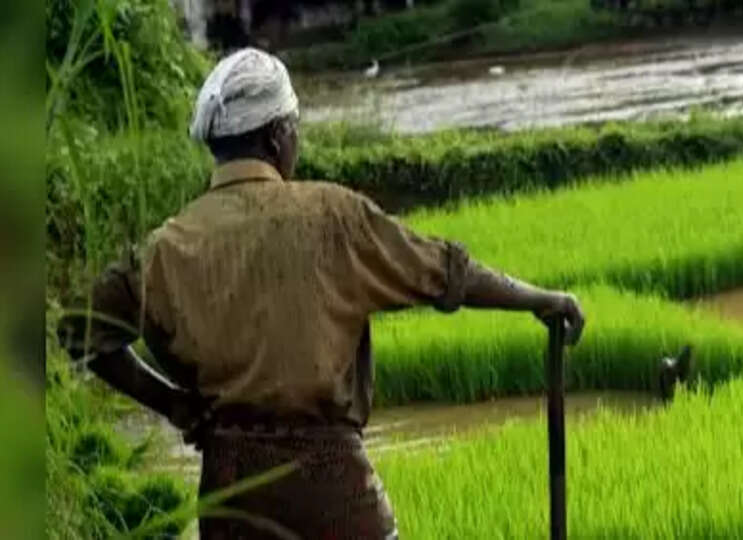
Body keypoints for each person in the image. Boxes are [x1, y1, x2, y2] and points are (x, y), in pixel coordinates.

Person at [58, 48, 585, 540]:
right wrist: (543, 299)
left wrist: (171, 404)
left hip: (229, 490)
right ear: (278, 135)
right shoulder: (332, 217)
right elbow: (448, 273)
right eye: (296, 128)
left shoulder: (166, 247)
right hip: (331, 484)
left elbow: (79, 331)